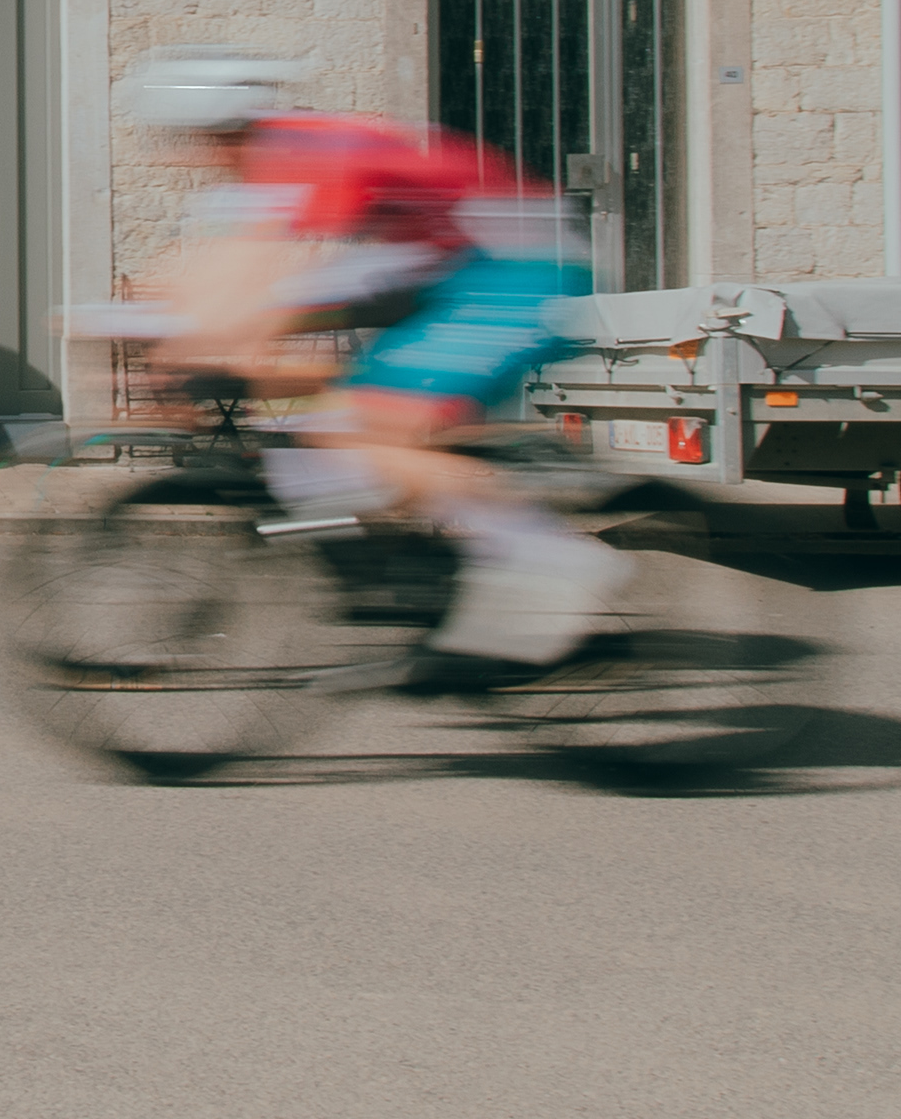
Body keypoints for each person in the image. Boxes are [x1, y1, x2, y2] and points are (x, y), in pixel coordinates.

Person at [121, 47, 619, 683]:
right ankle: (406, 559)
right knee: (310, 418)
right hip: (444, 267)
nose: (192, 155)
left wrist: (191, 348)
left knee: (371, 430)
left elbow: (251, 271)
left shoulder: (301, 151)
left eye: (194, 140)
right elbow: (217, 276)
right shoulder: (270, 164)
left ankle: (552, 563)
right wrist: (168, 333)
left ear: (220, 130)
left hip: (516, 273)